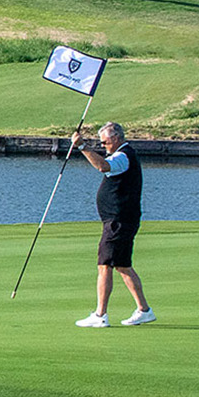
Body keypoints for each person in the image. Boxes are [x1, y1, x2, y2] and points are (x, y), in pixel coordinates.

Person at [70, 121, 154, 327]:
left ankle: (100, 315)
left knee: (104, 265)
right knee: (123, 266)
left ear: (116, 138)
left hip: (118, 221)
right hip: (120, 220)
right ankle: (144, 310)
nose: (103, 146)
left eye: (105, 142)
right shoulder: (123, 154)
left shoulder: (123, 156)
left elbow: (102, 166)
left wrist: (82, 146)